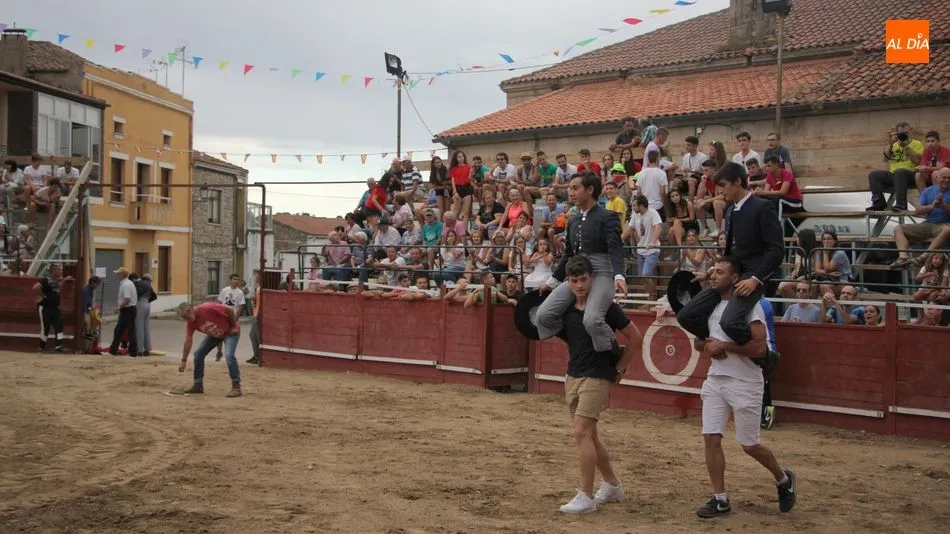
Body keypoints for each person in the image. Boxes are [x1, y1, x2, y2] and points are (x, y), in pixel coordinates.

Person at [694, 257, 797, 518]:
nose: (713, 276)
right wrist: (707, 345)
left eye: (720, 272)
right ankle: (720, 499)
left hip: (745, 381)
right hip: (716, 378)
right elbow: (699, 342)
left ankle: (783, 478)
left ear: (735, 278)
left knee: (749, 445)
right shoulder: (712, 305)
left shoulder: (749, 306)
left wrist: (725, 346)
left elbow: (760, 347)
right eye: (713, 271)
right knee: (710, 437)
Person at [554, 255, 643, 515]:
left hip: (598, 373)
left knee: (581, 431)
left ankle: (586, 495)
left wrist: (620, 367)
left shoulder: (604, 307)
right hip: (574, 372)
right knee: (589, 434)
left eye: (583, 280)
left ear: (592, 279)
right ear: (568, 282)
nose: (580, 285)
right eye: (574, 280)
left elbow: (635, 337)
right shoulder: (566, 308)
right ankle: (612, 484)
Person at [677, 162, 784, 346]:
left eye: (723, 186)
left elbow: (777, 251)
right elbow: (729, 252)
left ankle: (761, 354)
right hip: (731, 274)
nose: (720, 192)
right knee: (686, 315)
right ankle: (716, 339)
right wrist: (713, 271)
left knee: (729, 322)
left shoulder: (763, 207)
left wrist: (756, 279)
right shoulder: (730, 210)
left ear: (737, 182)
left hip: (751, 277)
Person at [536, 173, 628, 353]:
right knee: (543, 315)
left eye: (575, 188)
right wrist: (552, 281)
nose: (570, 192)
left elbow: (615, 248)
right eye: (570, 188)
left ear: (590, 190)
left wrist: (618, 275)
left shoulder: (608, 216)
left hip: (601, 272)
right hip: (577, 272)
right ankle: (579, 341)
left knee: (592, 319)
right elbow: (569, 254)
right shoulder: (573, 220)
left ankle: (613, 351)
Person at [172, 302, 243, 398]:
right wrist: (183, 360)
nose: (186, 320)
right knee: (198, 354)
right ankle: (198, 385)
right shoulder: (191, 323)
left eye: (186, 317)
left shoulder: (208, 308)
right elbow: (188, 340)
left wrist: (233, 326)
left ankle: (236, 387)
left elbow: (229, 310)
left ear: (189, 311)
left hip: (230, 331)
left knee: (229, 355)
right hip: (216, 334)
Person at [33, 263, 73, 353]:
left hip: (55, 308)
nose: (61, 271)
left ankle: (58, 346)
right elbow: (35, 287)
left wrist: (65, 279)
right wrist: (44, 295)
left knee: (59, 326)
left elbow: (57, 288)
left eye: (61, 269)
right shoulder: (46, 280)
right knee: (45, 328)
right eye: (59, 269)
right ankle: (41, 347)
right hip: (45, 308)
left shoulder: (55, 281)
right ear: (53, 270)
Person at [758, 296, 778, 430]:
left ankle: (766, 416)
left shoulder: (763, 303)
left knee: (763, 383)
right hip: (760, 347)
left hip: (766, 348)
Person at [108, 267, 138, 357]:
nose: (116, 275)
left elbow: (127, 299)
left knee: (122, 330)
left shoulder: (126, 285)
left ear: (122, 275)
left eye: (118, 274)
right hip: (129, 309)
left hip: (127, 310)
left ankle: (115, 350)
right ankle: (130, 351)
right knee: (127, 330)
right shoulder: (127, 283)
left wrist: (118, 307)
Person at [215, 273, 246, 362]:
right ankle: (219, 351)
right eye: (234, 279)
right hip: (223, 316)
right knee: (219, 335)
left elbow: (240, 306)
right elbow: (219, 302)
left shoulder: (240, 292)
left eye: (237, 279)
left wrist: (236, 318)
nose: (236, 281)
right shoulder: (225, 290)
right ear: (230, 280)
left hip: (233, 315)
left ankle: (229, 353)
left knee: (231, 334)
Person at [247, 270, 262, 365]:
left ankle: (259, 357)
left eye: (257, 276)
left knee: (257, 336)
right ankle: (256, 356)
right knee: (253, 335)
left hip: (258, 314)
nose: (256, 277)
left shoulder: (262, 288)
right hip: (255, 313)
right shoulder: (259, 288)